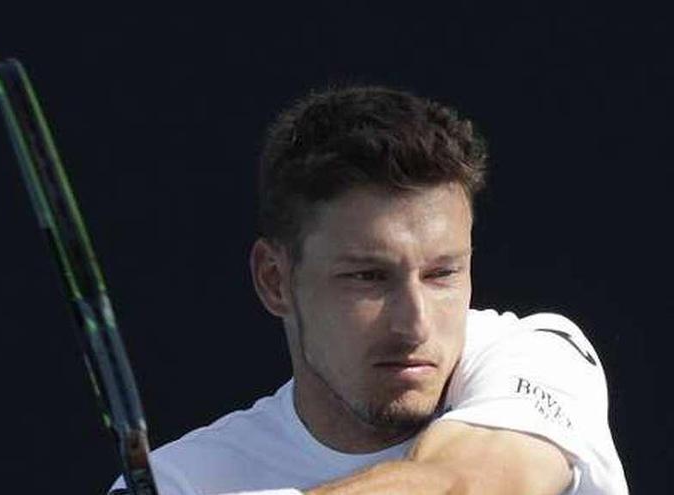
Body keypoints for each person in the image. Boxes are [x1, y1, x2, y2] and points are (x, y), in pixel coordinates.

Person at [110, 86, 628, 494]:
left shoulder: (540, 357)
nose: (415, 324)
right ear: (275, 280)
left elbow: (459, 489)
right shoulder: (182, 482)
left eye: (442, 274)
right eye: (369, 277)